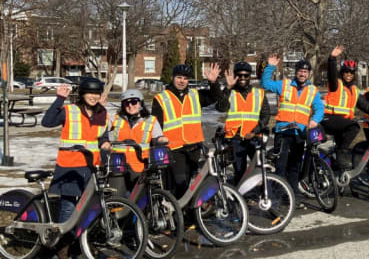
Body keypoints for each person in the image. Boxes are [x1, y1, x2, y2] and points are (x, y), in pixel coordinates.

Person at [41, 77, 110, 259]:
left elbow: (103, 136)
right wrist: (59, 99)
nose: (93, 97)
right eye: (90, 93)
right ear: (82, 94)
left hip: (92, 167)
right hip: (70, 166)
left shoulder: (102, 113)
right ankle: (64, 244)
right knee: (68, 207)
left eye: (97, 93)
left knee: (90, 206)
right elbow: (47, 122)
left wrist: (105, 144)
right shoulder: (70, 111)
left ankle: (84, 242)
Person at [151, 63, 222, 199]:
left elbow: (215, 98)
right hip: (173, 148)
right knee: (179, 183)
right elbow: (155, 126)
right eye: (179, 77)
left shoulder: (195, 95)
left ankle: (183, 213)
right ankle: (178, 214)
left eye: (185, 78)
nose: (182, 81)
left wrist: (213, 82)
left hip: (194, 147)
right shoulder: (161, 98)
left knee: (189, 184)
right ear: (172, 78)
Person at [261, 55, 324, 193]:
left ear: (309, 74)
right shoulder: (284, 84)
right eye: (300, 71)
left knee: (295, 165)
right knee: (281, 165)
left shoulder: (312, 90)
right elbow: (265, 84)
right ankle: (278, 195)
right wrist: (270, 67)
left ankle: (293, 194)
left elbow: (319, 108)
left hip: (299, 134)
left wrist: (314, 120)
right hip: (283, 132)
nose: (302, 74)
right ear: (296, 72)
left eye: (305, 72)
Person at [322, 46, 369, 169]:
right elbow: (331, 74)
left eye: (351, 72)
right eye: (346, 72)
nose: (349, 74)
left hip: (342, 123)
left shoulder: (354, 89)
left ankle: (335, 174)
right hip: (329, 119)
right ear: (342, 73)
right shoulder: (336, 84)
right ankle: (342, 152)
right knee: (354, 127)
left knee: (340, 159)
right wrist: (332, 59)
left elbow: (365, 105)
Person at [216, 61, 271, 185]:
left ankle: (261, 196)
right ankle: (241, 200)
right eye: (239, 75)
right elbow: (220, 107)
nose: (242, 78)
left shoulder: (259, 93)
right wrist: (228, 88)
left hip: (254, 138)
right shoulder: (230, 92)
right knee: (239, 172)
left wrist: (254, 131)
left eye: (246, 75)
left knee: (258, 171)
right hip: (235, 138)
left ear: (250, 76)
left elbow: (265, 116)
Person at [109, 89, 168, 192]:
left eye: (134, 102)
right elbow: (100, 129)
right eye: (127, 103)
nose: (130, 106)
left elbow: (157, 137)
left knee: (139, 197)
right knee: (116, 196)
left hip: (140, 165)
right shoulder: (115, 118)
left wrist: (160, 139)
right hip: (118, 165)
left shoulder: (150, 120)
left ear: (141, 103)